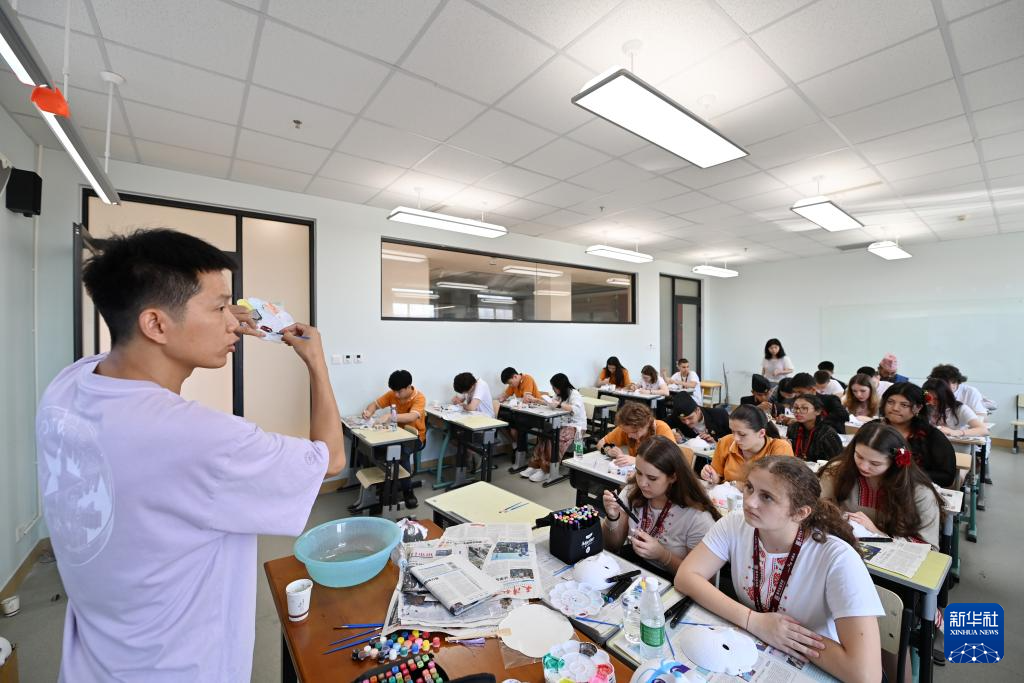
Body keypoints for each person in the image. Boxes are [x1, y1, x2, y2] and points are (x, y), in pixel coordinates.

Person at [36, 229, 346, 681]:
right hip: (181, 668)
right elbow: (331, 459)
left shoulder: (68, 387)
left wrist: (217, 309)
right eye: (220, 308)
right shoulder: (204, 440)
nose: (233, 323)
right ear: (156, 324)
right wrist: (317, 361)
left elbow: (131, 344)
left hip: (93, 665)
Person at [675, 457, 883, 681]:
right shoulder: (735, 524)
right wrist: (753, 621)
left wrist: (783, 635)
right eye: (749, 487)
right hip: (755, 647)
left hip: (816, 666)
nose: (749, 502)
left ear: (800, 513)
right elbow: (686, 576)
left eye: (766, 497)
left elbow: (866, 675)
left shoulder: (838, 558)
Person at [601, 436, 720, 576]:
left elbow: (702, 579)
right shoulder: (632, 491)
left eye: (652, 478)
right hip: (637, 567)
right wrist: (612, 518)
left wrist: (663, 556)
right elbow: (611, 546)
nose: (642, 483)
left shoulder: (697, 517)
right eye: (639, 472)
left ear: (673, 477)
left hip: (674, 580)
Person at [819, 422, 942, 549]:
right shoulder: (836, 472)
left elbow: (929, 548)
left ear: (895, 462)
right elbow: (818, 509)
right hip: (840, 547)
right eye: (859, 456)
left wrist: (875, 532)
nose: (863, 466)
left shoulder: (919, 492)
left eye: (875, 463)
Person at [361, 369, 425, 508]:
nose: (396, 395)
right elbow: (374, 404)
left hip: (415, 438)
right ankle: (384, 484)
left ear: (408, 387)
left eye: (399, 391)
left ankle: (408, 490)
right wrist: (368, 412)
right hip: (396, 435)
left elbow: (412, 416)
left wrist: (390, 417)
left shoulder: (419, 398)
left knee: (402, 454)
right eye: (394, 391)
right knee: (373, 448)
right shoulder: (392, 393)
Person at [876, 383, 956, 487]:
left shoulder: (932, 436)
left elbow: (946, 477)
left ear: (918, 408)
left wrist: (906, 474)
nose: (895, 408)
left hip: (914, 489)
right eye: (890, 402)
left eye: (904, 405)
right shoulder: (873, 428)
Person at [701, 405, 793, 484]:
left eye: (742, 434)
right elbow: (718, 477)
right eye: (733, 431)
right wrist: (712, 477)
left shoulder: (780, 448)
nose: (735, 438)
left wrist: (738, 485)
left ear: (761, 433)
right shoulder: (726, 442)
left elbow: (780, 487)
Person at [520, 373, 586, 483]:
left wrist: (559, 405)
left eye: (554, 387)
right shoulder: (559, 394)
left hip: (576, 426)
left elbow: (576, 410)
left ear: (561, 386)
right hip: (561, 423)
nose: (553, 389)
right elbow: (551, 404)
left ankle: (546, 470)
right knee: (543, 436)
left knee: (554, 438)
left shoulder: (574, 394)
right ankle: (535, 465)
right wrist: (536, 400)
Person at [596, 402, 675, 468]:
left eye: (635, 432)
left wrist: (636, 461)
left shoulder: (661, 428)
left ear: (647, 424)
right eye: (627, 432)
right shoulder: (626, 428)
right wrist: (608, 450)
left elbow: (672, 460)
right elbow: (601, 443)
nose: (629, 436)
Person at [778, 373, 849, 433]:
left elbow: (844, 415)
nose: (797, 395)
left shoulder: (830, 400)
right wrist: (788, 419)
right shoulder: (798, 401)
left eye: (800, 392)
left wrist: (811, 421)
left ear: (813, 389)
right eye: (795, 392)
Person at [922, 377, 989, 438]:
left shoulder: (960, 409)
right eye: (928, 398)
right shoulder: (924, 407)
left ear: (945, 396)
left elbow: (984, 430)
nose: (931, 402)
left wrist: (955, 432)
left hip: (956, 444)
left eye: (936, 399)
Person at [787, 394, 844, 462]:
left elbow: (837, 461)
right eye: (796, 408)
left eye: (804, 408)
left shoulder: (827, 434)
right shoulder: (793, 428)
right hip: (796, 465)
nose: (798, 411)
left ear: (818, 411)